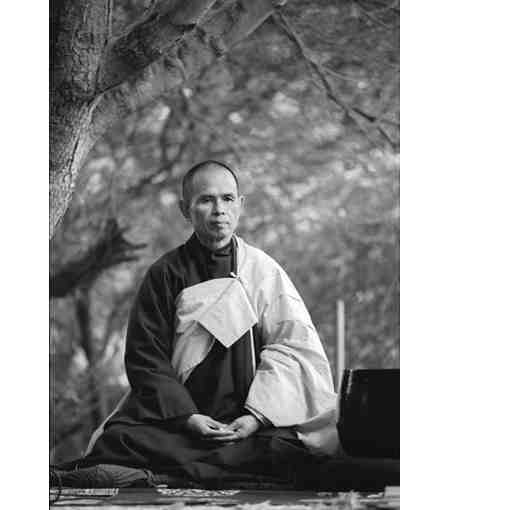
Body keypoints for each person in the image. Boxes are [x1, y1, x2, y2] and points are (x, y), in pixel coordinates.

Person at [52, 160, 344, 488]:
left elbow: (292, 349)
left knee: (290, 447)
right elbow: (146, 359)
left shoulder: (263, 271)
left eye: (227, 199)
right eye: (206, 200)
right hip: (180, 423)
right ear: (185, 210)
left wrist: (255, 417)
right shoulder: (165, 273)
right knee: (120, 440)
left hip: (248, 424)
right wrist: (188, 417)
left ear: (241, 204)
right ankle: (204, 470)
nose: (219, 210)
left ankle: (168, 474)